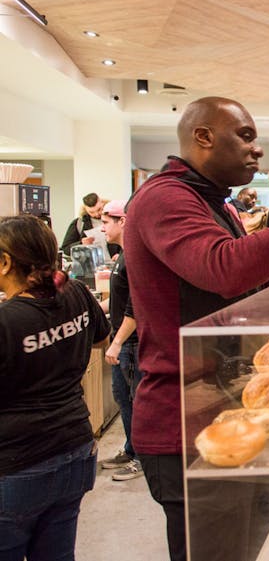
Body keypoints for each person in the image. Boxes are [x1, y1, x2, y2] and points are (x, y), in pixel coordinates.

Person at [123, 96, 269, 561]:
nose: (257, 151)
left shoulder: (216, 205)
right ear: (203, 137)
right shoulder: (164, 197)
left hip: (228, 406)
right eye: (246, 136)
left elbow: (246, 288)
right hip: (188, 420)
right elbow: (224, 269)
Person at [0, 215, 111, 560]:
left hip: (19, 463)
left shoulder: (7, 321)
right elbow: (100, 340)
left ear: (6, 262)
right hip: (75, 450)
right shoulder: (74, 292)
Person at [99, 200, 144, 482]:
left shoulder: (135, 258)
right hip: (122, 341)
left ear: (122, 221)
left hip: (131, 343)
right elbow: (116, 301)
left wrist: (117, 342)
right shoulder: (122, 258)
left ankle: (141, 457)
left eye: (106, 222)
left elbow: (136, 308)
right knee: (122, 398)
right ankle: (130, 449)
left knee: (135, 400)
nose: (102, 228)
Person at [61, 192, 121, 257]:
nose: (96, 214)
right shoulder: (79, 223)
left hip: (114, 261)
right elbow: (65, 249)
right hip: (90, 263)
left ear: (102, 203)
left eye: (99, 209)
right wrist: (81, 243)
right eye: (91, 212)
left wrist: (121, 255)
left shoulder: (116, 218)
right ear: (86, 209)